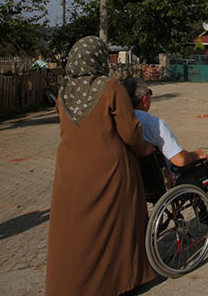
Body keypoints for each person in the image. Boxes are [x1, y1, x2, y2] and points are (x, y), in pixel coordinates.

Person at [46, 36, 155, 296]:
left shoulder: (64, 91)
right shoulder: (111, 88)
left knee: (73, 231)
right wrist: (145, 150)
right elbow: (129, 132)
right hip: (109, 169)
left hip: (68, 171)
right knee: (116, 224)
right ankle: (120, 281)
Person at [122, 77, 208, 226]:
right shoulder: (153, 124)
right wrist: (197, 154)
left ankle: (206, 212)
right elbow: (180, 160)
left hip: (137, 183)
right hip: (168, 184)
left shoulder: (119, 123)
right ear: (145, 99)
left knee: (195, 168)